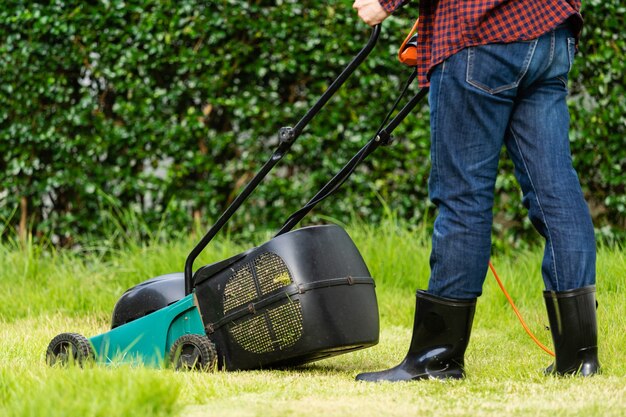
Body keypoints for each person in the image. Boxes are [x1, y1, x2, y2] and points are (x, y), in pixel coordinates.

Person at [352, 0, 600, 381]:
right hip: (551, 32)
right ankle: (579, 358)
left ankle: (436, 360)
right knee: (556, 192)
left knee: (463, 196)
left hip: (479, 32)